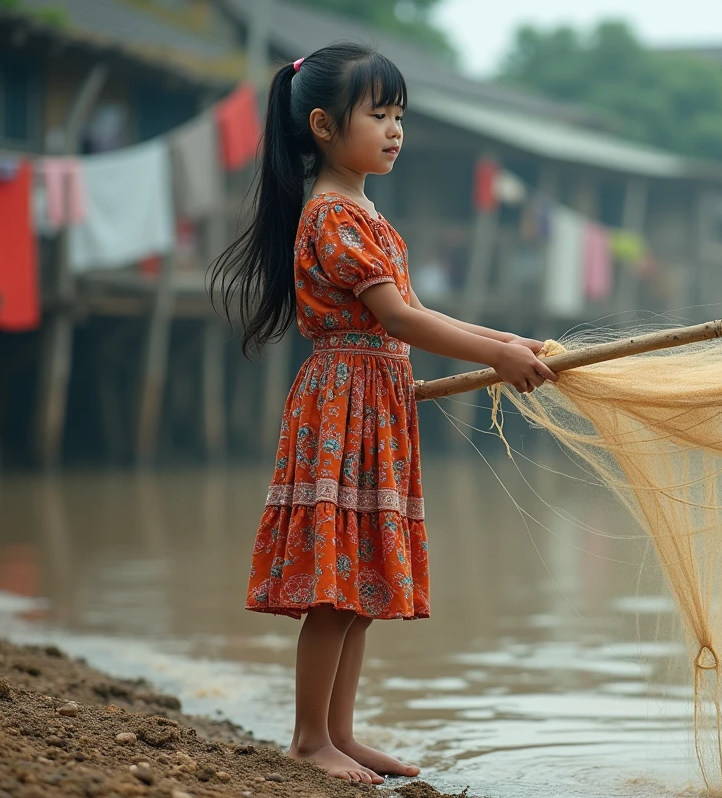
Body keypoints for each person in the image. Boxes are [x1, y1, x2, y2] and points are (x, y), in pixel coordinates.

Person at [211, 42, 557, 785]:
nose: (395, 129)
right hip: (343, 405)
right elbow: (398, 319)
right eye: (378, 115)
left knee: (361, 583)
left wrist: (508, 343)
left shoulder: (366, 211)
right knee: (333, 587)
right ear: (323, 126)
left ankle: (340, 733)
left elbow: (421, 310)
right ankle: (310, 740)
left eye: (400, 115)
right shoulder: (332, 215)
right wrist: (496, 358)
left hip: (376, 406)